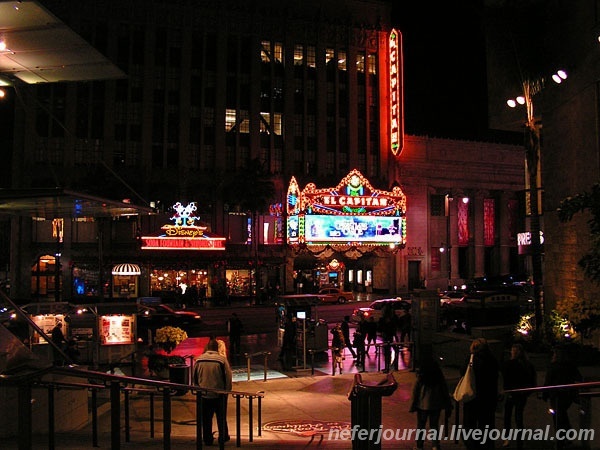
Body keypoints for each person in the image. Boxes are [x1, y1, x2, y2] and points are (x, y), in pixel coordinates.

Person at [193, 338, 233, 446]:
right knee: (221, 417)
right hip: (219, 394)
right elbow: (228, 377)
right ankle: (223, 436)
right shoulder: (221, 360)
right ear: (216, 348)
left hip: (204, 394)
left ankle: (207, 439)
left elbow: (195, 378)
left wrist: (198, 389)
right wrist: (227, 391)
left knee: (206, 418)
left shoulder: (199, 360)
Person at [461, 337, 499, 450]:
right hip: (488, 397)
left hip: (473, 397)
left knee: (469, 424)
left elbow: (462, 372)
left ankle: (472, 445)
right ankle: (486, 445)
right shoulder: (492, 360)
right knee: (487, 424)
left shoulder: (471, 359)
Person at [543, 347, 583, 447]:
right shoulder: (570, 366)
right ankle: (566, 435)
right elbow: (578, 377)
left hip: (556, 394)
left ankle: (562, 437)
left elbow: (548, 381)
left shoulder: (553, 366)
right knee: (561, 414)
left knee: (557, 416)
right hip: (567, 394)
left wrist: (545, 394)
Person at [409, 357, 452, 450]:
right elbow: (444, 390)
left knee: (421, 426)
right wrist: (448, 404)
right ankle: (435, 445)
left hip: (422, 405)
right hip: (436, 404)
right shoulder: (438, 377)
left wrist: (413, 405)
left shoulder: (421, 376)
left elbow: (415, 391)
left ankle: (419, 445)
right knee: (434, 425)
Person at [502, 343, 537, 449]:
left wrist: (506, 390)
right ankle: (519, 440)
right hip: (521, 393)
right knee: (518, 417)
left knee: (508, 416)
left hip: (512, 393)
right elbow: (531, 379)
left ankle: (507, 437)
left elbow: (506, 378)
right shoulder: (527, 365)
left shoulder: (510, 364)